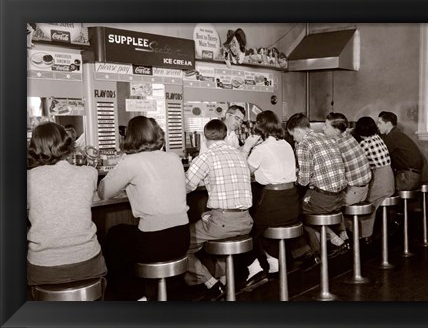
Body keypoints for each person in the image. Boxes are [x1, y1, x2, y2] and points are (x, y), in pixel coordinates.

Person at [98, 116, 190, 300]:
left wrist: (123, 159)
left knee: (115, 236)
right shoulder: (173, 157)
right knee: (125, 236)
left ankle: (135, 296)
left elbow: (103, 192)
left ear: (129, 136)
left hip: (155, 242)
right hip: (182, 239)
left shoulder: (131, 161)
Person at [27, 122, 107, 290]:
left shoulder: (28, 178)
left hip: (44, 268)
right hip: (88, 262)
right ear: (66, 142)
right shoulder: (89, 173)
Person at [184, 119, 254, 301]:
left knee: (180, 242)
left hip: (223, 223)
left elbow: (186, 186)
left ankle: (211, 283)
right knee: (211, 221)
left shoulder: (206, 157)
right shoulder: (239, 155)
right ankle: (224, 282)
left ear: (204, 137)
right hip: (246, 221)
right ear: (225, 135)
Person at [241, 110, 300, 290]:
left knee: (247, 231)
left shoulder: (260, 149)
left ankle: (255, 270)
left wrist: (247, 147)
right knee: (263, 227)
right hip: (292, 202)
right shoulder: (286, 144)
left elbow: (243, 171)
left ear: (260, 127)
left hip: (274, 201)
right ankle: (275, 264)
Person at [286, 113, 347, 266]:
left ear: (298, 131)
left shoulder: (303, 144)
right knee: (306, 203)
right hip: (340, 197)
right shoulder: (327, 138)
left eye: (293, 135)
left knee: (293, 213)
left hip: (324, 199)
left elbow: (304, 180)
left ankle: (315, 254)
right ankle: (333, 238)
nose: (293, 139)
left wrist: (294, 174)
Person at [323, 112, 372, 253]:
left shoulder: (336, 144)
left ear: (337, 130)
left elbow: (331, 173)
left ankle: (336, 240)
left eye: (326, 126)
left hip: (354, 192)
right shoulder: (348, 136)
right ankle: (344, 236)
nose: (323, 129)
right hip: (363, 189)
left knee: (324, 206)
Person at [351, 116, 395, 240]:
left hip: (380, 182)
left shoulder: (365, 144)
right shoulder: (377, 138)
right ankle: (370, 233)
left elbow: (357, 164)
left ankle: (364, 235)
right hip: (389, 179)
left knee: (365, 203)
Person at [377, 111, 424, 190]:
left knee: (377, 187)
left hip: (407, 178)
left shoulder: (392, 137)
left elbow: (381, 158)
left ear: (388, 124)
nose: (377, 126)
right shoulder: (397, 134)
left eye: (379, 123)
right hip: (414, 176)